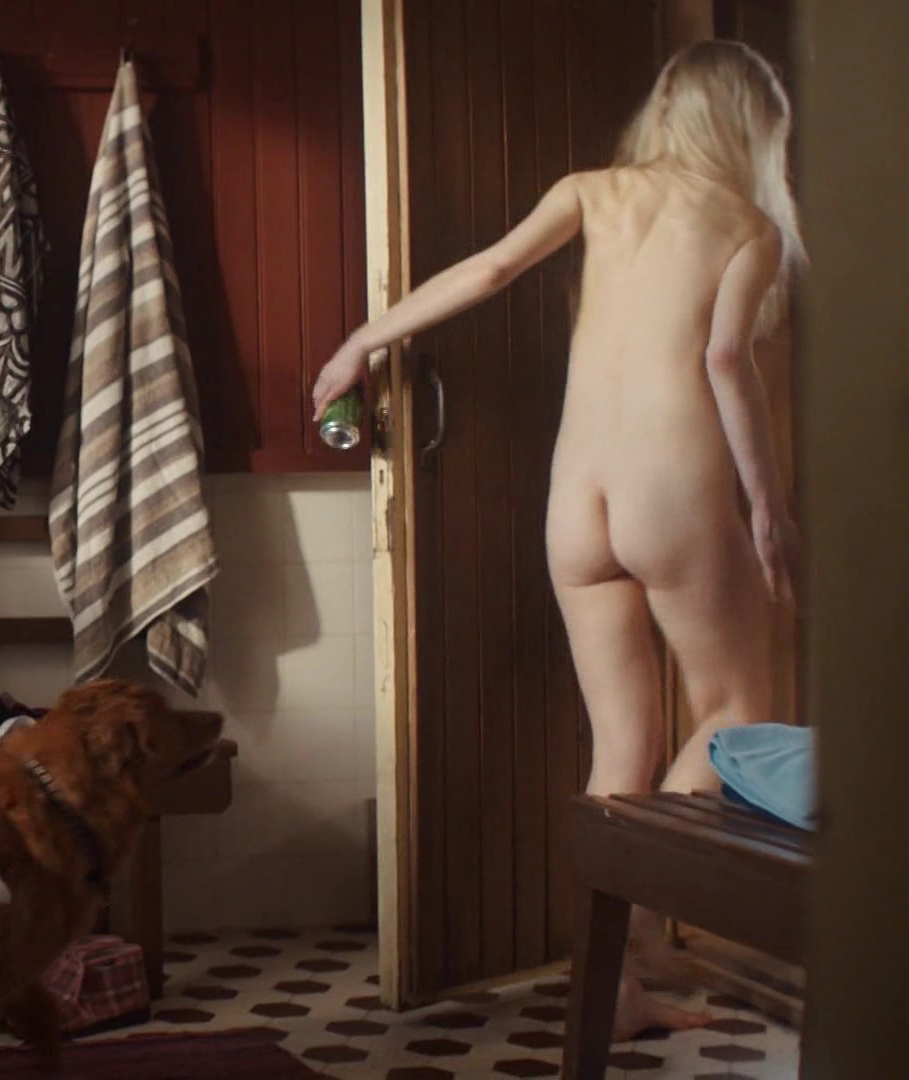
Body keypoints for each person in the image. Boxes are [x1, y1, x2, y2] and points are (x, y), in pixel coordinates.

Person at [312, 40, 802, 1037]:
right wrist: (767, 506)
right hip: (674, 494)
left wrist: (365, 340)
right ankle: (645, 930)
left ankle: (617, 977)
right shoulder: (746, 226)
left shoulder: (593, 190)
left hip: (577, 500)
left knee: (620, 744)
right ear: (752, 126)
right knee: (735, 710)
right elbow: (725, 362)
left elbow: (492, 269)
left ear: (667, 111)